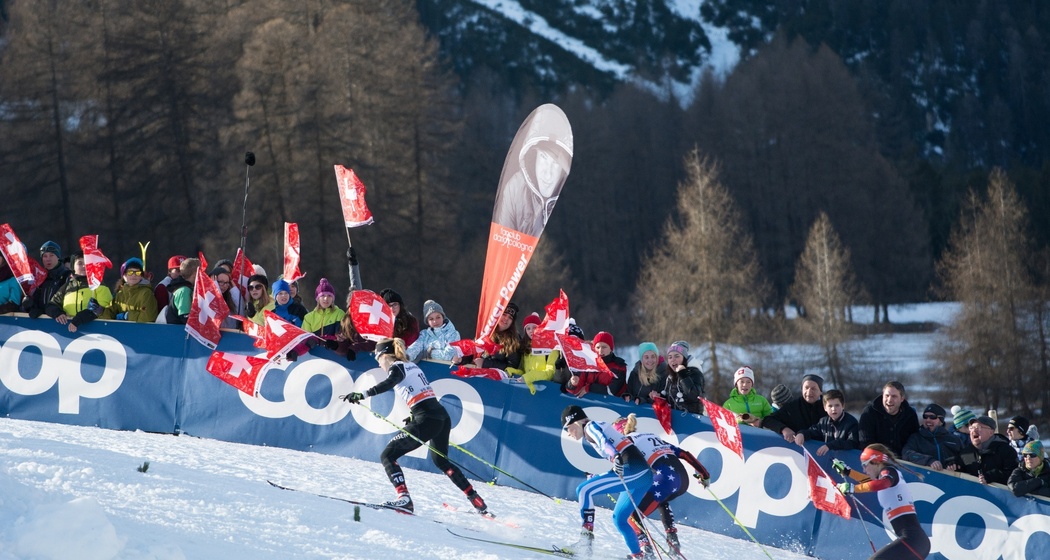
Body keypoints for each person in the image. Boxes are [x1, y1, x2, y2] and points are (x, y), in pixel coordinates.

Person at [339, 338, 490, 516]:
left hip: (427, 419)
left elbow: (389, 383)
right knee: (441, 461)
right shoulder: (411, 365)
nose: (379, 364)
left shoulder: (398, 367)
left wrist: (363, 394)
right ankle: (476, 500)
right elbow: (419, 391)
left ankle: (404, 499)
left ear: (385, 355)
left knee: (388, 455)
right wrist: (413, 415)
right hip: (440, 417)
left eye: (378, 359)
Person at [560, 405, 654, 559]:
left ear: (576, 422)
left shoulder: (590, 427)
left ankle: (585, 543)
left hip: (635, 471)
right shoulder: (595, 427)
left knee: (583, 490)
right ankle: (638, 555)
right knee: (620, 519)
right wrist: (600, 474)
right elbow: (616, 460)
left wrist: (614, 457)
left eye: (567, 428)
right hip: (641, 475)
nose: (568, 434)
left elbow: (604, 443)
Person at [614, 413, 710, 556]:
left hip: (666, 480)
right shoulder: (651, 436)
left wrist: (595, 478)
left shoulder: (626, 442)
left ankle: (646, 551)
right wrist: (704, 474)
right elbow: (684, 454)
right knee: (660, 499)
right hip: (683, 481)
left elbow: (620, 470)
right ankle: (673, 539)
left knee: (630, 517)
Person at [833, 444, 931, 559]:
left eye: (865, 465)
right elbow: (870, 481)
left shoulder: (889, 472)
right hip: (915, 542)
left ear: (876, 461)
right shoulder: (887, 474)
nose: (864, 470)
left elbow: (883, 483)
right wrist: (848, 472)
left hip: (912, 541)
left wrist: (854, 488)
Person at [491, 126, 572, 237]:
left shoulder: (574, 198)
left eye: (556, 164)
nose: (548, 174)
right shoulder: (515, 188)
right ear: (533, 158)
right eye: (543, 158)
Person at [45, 251, 114, 333]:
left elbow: (104, 309)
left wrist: (80, 319)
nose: (84, 266)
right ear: (73, 266)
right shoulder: (67, 286)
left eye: (87, 263)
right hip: (69, 334)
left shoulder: (99, 284)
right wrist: (58, 313)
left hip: (95, 333)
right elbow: (51, 305)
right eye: (80, 263)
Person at [858, 381, 920, 456]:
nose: (889, 400)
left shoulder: (910, 415)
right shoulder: (869, 413)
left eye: (894, 396)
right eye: (887, 396)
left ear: (902, 398)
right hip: (876, 459)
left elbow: (915, 441)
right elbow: (865, 442)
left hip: (903, 461)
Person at [762, 374, 827, 442]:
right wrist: (784, 429)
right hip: (799, 450)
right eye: (806, 388)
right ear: (802, 389)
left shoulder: (829, 406)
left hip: (827, 449)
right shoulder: (792, 407)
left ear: (820, 391)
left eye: (813, 388)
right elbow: (768, 420)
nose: (809, 392)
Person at [795, 389, 860, 455]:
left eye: (837, 405)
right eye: (830, 406)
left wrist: (831, 446)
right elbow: (812, 431)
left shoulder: (851, 422)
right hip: (829, 459)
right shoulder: (823, 422)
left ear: (843, 406)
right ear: (825, 408)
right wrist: (802, 434)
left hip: (847, 460)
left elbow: (852, 443)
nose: (833, 409)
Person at [901, 403, 963, 471]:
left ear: (941, 421)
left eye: (932, 417)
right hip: (927, 478)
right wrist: (928, 460)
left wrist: (957, 463)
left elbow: (969, 457)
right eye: (925, 416)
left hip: (951, 478)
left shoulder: (954, 439)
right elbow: (906, 453)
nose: (928, 420)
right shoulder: (916, 438)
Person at [959, 415, 1018, 485]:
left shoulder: (1005, 451)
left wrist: (990, 477)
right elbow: (963, 471)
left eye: (978, 427)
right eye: (971, 428)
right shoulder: (967, 452)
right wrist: (952, 463)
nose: (974, 430)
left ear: (991, 432)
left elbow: (1013, 475)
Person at [22, 241, 71, 319]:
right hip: (44, 324)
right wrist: (30, 306)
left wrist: (55, 312)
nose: (48, 259)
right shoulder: (39, 277)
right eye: (45, 256)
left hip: (62, 319)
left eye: (51, 255)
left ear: (58, 257)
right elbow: (37, 300)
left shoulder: (67, 276)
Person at [516, 312, 559, 394]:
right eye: (528, 328)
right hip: (528, 390)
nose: (531, 331)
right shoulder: (526, 348)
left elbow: (550, 373)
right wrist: (511, 371)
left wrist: (529, 377)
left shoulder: (550, 347)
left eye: (534, 327)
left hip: (545, 391)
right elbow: (523, 372)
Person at [105, 257, 158, 323]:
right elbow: (109, 313)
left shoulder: (146, 293)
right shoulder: (120, 294)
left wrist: (127, 316)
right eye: (130, 272)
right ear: (125, 275)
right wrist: (99, 311)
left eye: (137, 273)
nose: (133, 275)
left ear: (141, 276)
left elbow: (147, 318)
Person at [658, 341, 704, 414]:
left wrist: (683, 375)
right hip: (676, 420)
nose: (673, 359)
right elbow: (670, 400)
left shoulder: (694, 373)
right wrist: (658, 397)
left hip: (692, 420)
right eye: (670, 357)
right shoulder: (670, 376)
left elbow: (695, 396)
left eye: (677, 356)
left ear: (684, 358)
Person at [590, 331, 628, 397]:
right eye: (598, 347)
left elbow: (611, 391)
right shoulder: (589, 364)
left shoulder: (619, 366)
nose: (600, 351)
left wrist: (588, 388)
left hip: (612, 405)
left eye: (604, 347)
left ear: (610, 348)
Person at [163, 258, 199, 325]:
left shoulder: (186, 287)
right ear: (195, 274)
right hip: (177, 332)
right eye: (201, 272)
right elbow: (185, 317)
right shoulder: (184, 291)